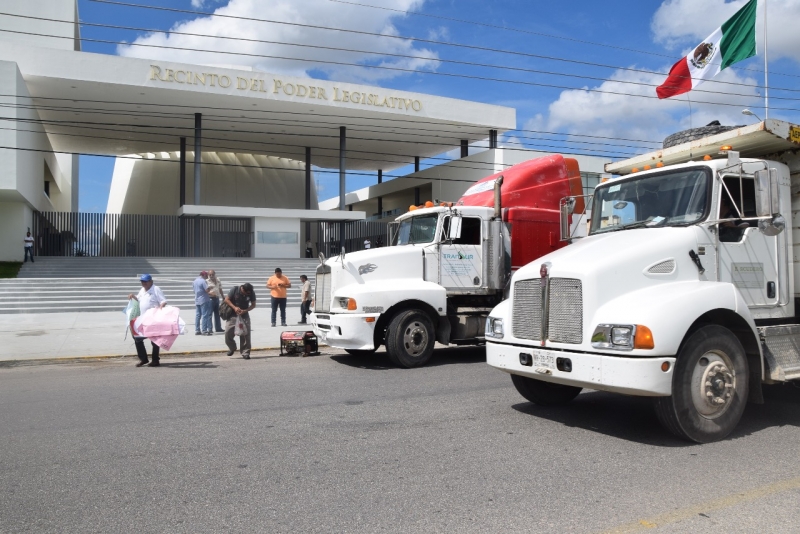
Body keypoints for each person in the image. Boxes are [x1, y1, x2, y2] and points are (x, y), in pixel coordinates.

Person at [127, 274, 167, 367]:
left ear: (150, 281)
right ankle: (143, 359)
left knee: (154, 340)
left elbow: (163, 301)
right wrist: (133, 296)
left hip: (153, 319)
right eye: (142, 281)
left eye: (145, 281)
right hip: (142, 319)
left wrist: (160, 308)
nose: (143, 283)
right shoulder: (142, 290)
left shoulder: (156, 289)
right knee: (137, 337)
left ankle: (155, 360)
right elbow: (139, 299)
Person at [224, 282, 256, 359]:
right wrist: (234, 308)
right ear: (243, 289)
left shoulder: (251, 292)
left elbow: (253, 304)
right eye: (246, 293)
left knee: (246, 334)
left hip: (244, 314)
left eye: (249, 293)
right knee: (228, 332)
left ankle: (245, 352)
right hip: (233, 314)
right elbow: (227, 299)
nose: (247, 294)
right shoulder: (235, 290)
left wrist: (246, 310)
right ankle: (232, 347)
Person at [193, 271, 213, 335]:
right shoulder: (203, 281)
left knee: (198, 315)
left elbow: (194, 290)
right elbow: (206, 290)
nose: (207, 277)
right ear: (204, 275)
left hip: (197, 299)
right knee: (205, 315)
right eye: (207, 275)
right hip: (204, 299)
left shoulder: (195, 281)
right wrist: (210, 288)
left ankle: (197, 329)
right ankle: (204, 330)